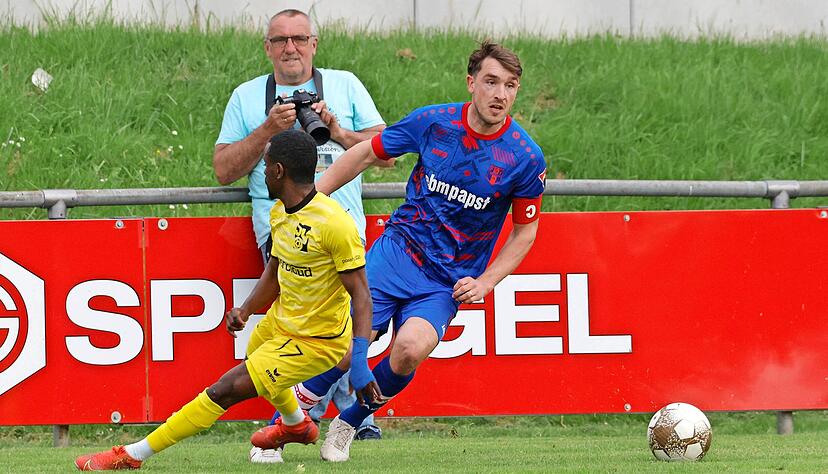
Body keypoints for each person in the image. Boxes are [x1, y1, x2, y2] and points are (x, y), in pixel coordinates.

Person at [272, 41, 548, 462]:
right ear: (471, 82)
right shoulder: (434, 122)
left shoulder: (525, 157)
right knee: (346, 346)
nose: (500, 94)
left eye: (510, 86)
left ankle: (349, 421)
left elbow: (525, 231)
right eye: (491, 82)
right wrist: (311, 199)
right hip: (397, 253)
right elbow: (366, 153)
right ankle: (289, 419)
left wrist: (487, 281)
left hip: (446, 280)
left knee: (409, 350)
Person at [73, 130, 381, 471]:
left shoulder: (337, 225)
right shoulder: (280, 211)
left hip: (317, 341)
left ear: (279, 171)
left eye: (265, 166)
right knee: (254, 363)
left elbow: (362, 296)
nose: (262, 173)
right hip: (280, 324)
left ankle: (132, 455)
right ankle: (296, 423)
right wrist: (247, 309)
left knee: (225, 390)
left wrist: (360, 361)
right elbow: (277, 268)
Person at [212, 8, 387, 462]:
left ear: (315, 43)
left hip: (342, 230)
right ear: (267, 48)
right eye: (280, 40)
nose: (290, 48)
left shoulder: (346, 85)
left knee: (345, 329)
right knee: (292, 334)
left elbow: (386, 155)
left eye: (299, 38)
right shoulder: (247, 97)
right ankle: (291, 423)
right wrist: (269, 130)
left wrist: (339, 129)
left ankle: (349, 422)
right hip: (283, 234)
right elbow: (224, 170)